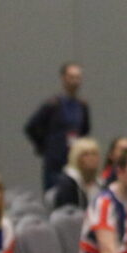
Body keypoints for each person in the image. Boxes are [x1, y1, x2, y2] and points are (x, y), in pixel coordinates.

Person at [24, 63, 91, 192]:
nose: (75, 81)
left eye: (78, 77)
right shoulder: (53, 105)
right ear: (63, 78)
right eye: (71, 77)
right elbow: (31, 127)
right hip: (55, 163)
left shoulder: (82, 106)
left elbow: (85, 131)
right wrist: (45, 147)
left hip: (75, 161)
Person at [51, 137, 101, 210]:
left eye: (94, 154)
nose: (91, 158)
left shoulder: (101, 184)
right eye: (85, 154)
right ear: (76, 158)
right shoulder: (67, 184)